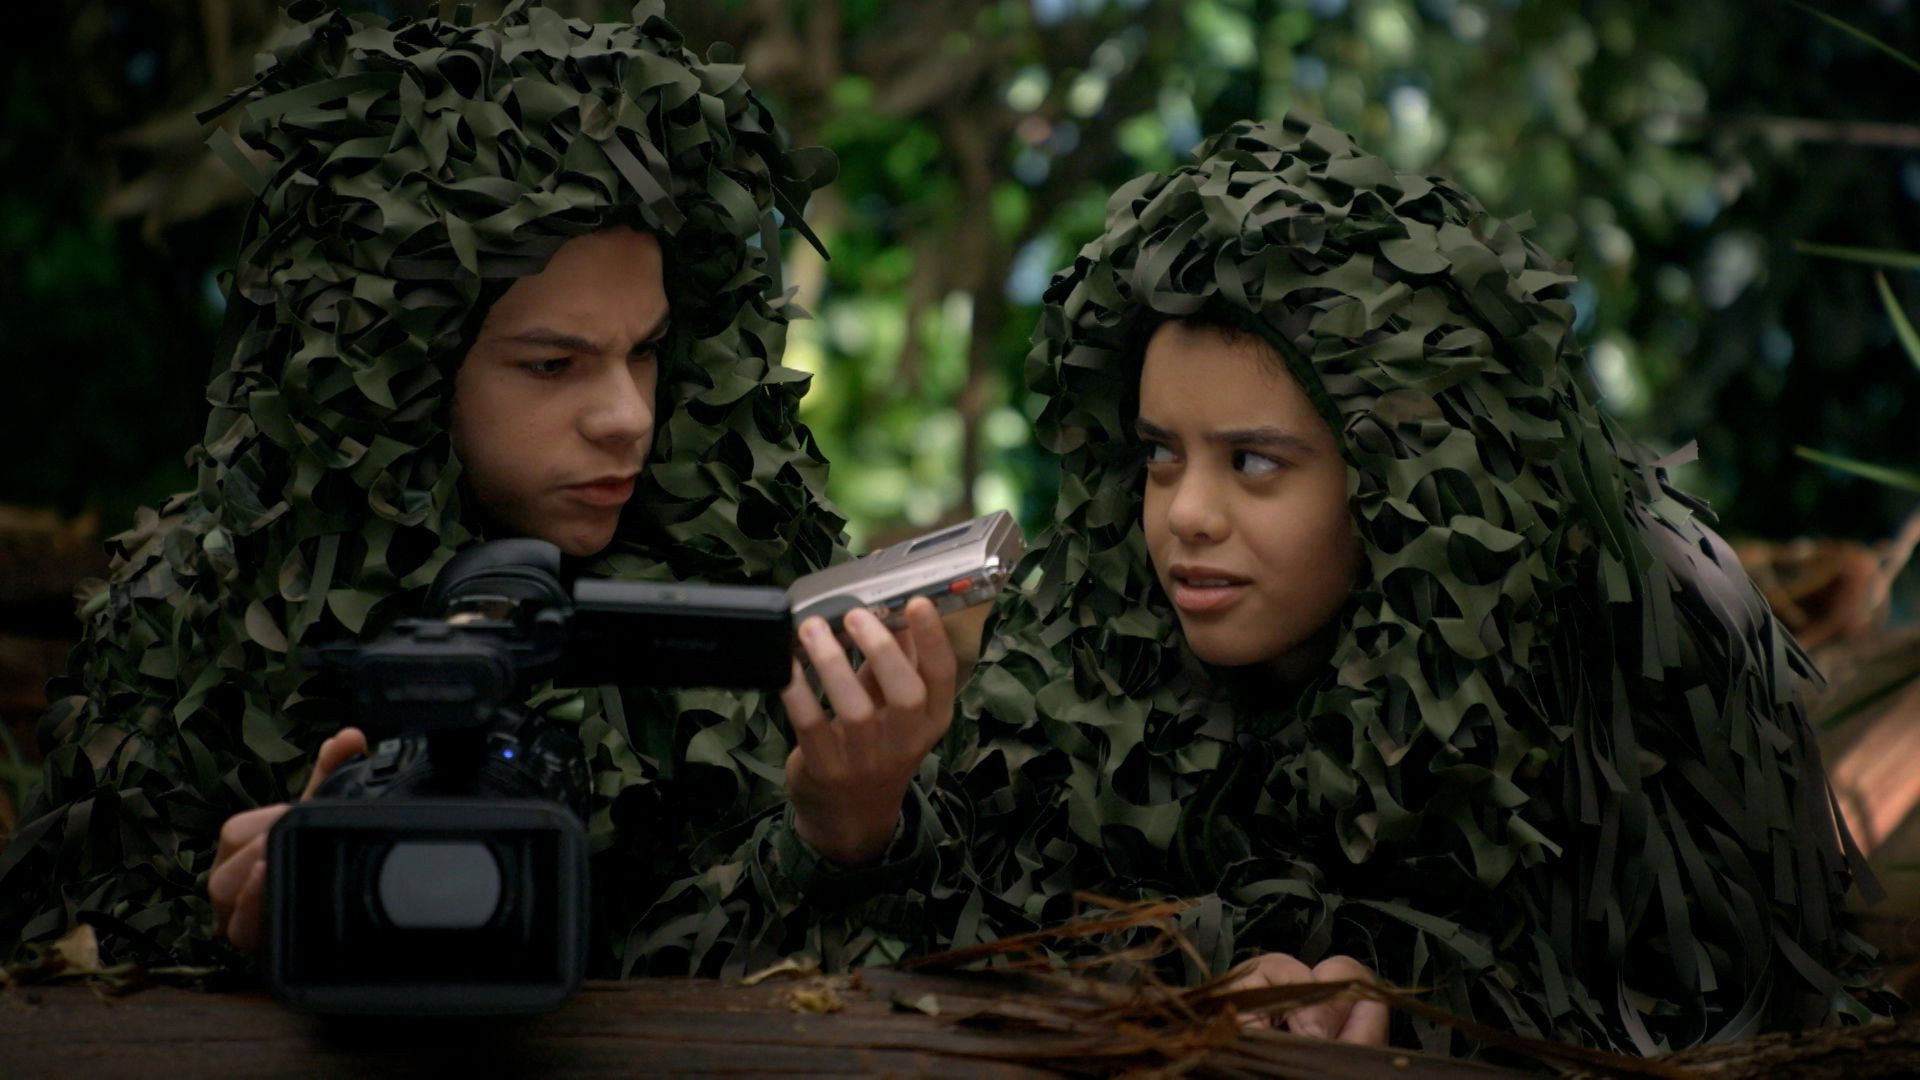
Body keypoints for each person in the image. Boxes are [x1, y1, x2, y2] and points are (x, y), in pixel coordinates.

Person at [0, 0, 955, 980]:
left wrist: (848, 833)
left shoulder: (743, 587)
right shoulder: (193, 615)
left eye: (646, 350)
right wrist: (254, 927)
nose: (626, 415)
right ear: (406, 369)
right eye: (552, 365)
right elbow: (59, 965)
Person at [933, 116, 1884, 1054]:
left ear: (1395, 478)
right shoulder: (1093, 662)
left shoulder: (1624, 662)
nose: (1185, 513)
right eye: (1160, 455)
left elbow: (1730, 1007)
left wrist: (1425, 1014)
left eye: (1255, 462)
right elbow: (990, 915)